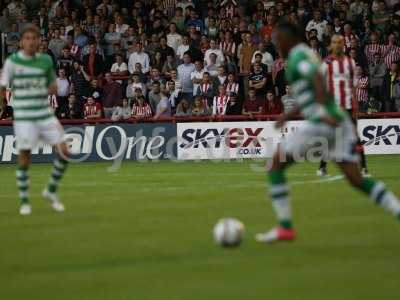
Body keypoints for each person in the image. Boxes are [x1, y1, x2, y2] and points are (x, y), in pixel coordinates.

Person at [255, 22, 400, 244]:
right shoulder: (305, 55)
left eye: (278, 39)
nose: (276, 43)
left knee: (275, 163)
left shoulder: (298, 58)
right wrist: (287, 116)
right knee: (356, 179)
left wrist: (323, 111)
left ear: (289, 38)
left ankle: (285, 228)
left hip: (323, 122)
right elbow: (311, 93)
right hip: (337, 121)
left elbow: (316, 82)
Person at [0, 25, 68, 215]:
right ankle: (24, 201)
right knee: (25, 157)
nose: (31, 41)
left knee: (65, 151)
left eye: (34, 38)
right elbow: (3, 85)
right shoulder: (12, 61)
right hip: (24, 116)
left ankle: (50, 190)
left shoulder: (46, 60)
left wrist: (42, 89)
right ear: (21, 42)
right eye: (27, 38)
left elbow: (54, 87)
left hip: (44, 113)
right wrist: (3, 105)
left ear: (38, 41)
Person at [318, 34, 369, 177]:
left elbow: (353, 86)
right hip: (332, 106)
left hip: (348, 105)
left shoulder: (350, 62)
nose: (338, 45)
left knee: (355, 136)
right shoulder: (326, 63)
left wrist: (356, 107)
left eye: (340, 42)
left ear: (343, 45)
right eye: (335, 42)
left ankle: (364, 168)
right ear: (331, 45)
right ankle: (322, 167)